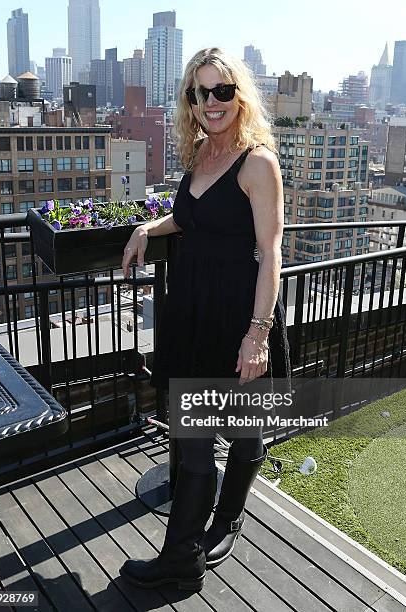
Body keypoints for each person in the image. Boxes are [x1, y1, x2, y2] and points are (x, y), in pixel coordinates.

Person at [119, 47, 290, 592]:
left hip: (239, 318)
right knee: (192, 437)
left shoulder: (258, 162)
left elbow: (272, 253)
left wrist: (257, 336)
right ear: (190, 103)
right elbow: (194, 214)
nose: (211, 102)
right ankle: (182, 555)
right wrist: (150, 228)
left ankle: (227, 519)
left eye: (221, 91)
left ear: (239, 96)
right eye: (200, 93)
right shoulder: (200, 157)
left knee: (242, 434)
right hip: (193, 314)